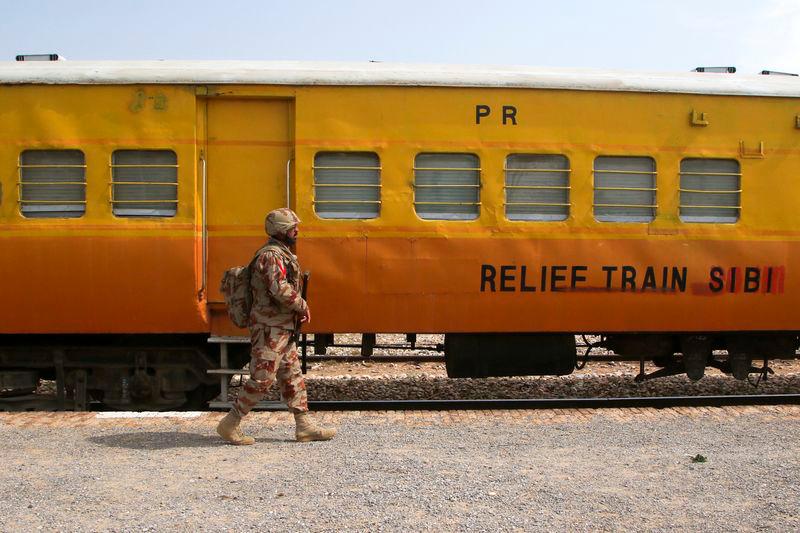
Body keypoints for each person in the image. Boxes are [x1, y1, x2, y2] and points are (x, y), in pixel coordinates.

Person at [216, 208, 336, 445]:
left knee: (292, 376)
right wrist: (301, 305)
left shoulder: (281, 253)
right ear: (281, 231)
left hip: (281, 327)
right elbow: (278, 288)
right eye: (293, 228)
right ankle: (230, 424)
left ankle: (304, 426)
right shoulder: (271, 256)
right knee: (262, 378)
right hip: (269, 328)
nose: (297, 231)